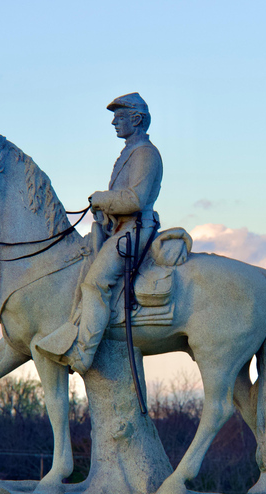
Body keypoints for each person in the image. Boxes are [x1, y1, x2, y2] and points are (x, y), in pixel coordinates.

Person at [37, 92, 162, 374]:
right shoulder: (131, 152)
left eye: (120, 117)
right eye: (114, 117)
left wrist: (102, 199)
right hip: (120, 228)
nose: (114, 122)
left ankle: (84, 353)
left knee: (96, 283)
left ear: (137, 119)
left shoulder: (145, 153)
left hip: (135, 229)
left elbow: (136, 199)